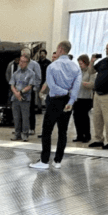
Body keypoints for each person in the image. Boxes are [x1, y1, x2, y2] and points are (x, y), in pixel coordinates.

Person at [30, 41, 82, 171]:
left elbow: (52, 86)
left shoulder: (52, 66)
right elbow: (76, 87)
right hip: (68, 102)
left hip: (55, 101)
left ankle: (44, 160)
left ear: (59, 49)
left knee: (47, 130)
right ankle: (58, 160)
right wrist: (70, 100)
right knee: (62, 131)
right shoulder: (76, 67)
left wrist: (65, 92)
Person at [8, 51, 39, 141]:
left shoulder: (31, 73)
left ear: (28, 63)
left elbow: (30, 86)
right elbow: (12, 85)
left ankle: (25, 134)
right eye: (20, 61)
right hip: (15, 98)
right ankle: (17, 134)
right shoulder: (16, 73)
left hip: (25, 99)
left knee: (25, 118)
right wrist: (16, 94)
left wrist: (20, 93)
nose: (21, 63)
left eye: (24, 61)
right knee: (16, 117)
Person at [73, 54, 95, 143]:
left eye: (81, 63)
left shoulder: (91, 72)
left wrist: (81, 83)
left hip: (86, 98)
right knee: (76, 116)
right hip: (77, 97)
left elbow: (92, 84)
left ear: (86, 63)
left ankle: (87, 135)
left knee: (84, 117)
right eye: (79, 63)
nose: (80, 65)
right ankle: (79, 135)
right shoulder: (78, 71)